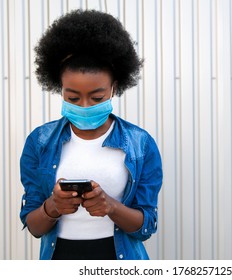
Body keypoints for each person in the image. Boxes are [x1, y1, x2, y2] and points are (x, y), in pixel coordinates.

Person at [19, 9, 163, 260]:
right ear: (58, 88)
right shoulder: (39, 142)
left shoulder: (140, 144)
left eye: (97, 98)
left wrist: (111, 207)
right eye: (72, 97)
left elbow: (146, 226)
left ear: (114, 88)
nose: (84, 106)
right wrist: (53, 207)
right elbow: (34, 226)